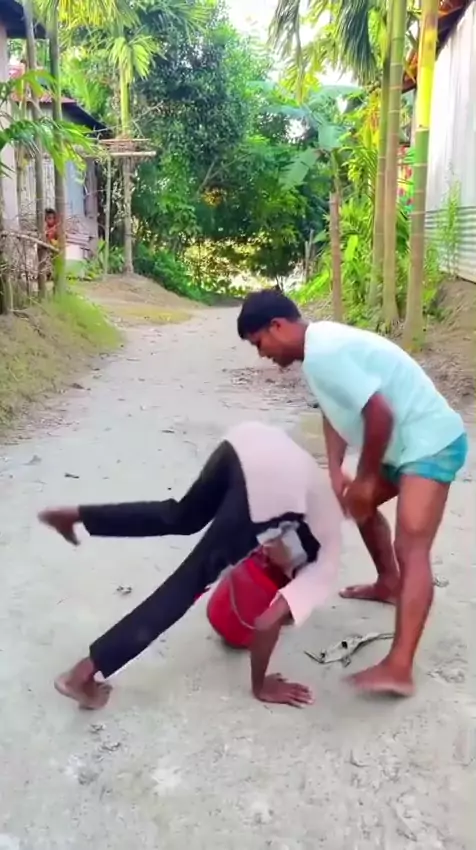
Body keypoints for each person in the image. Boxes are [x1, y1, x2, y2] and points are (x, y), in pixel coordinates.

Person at [237, 289, 468, 697]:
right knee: (355, 505)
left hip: (431, 442)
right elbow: (336, 411)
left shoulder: (325, 351)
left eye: (259, 343)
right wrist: (335, 470)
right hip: (402, 446)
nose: (262, 354)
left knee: (411, 545)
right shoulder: (315, 354)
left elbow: (380, 414)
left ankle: (399, 668)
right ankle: (388, 584)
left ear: (278, 326)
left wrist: (365, 479)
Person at [39, 421, 342, 710]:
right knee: (189, 582)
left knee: (182, 516)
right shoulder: (325, 564)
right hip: (270, 490)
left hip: (247, 441)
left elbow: (279, 545)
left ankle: (75, 516)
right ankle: (81, 676)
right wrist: (262, 685)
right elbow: (265, 622)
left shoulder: (320, 507)